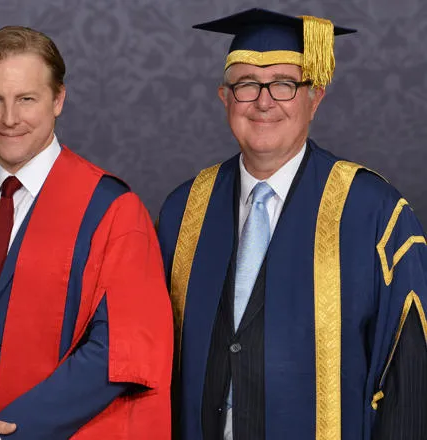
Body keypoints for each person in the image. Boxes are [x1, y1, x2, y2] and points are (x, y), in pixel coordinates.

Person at [157, 8, 427, 440]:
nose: (264, 102)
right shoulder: (183, 211)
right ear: (225, 98)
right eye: (246, 85)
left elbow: (410, 379)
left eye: (284, 85)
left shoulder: (374, 211)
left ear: (314, 97)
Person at [0, 26, 172, 440]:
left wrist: (4, 435)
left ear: (58, 100)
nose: (9, 119)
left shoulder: (113, 211)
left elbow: (117, 355)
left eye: (26, 99)